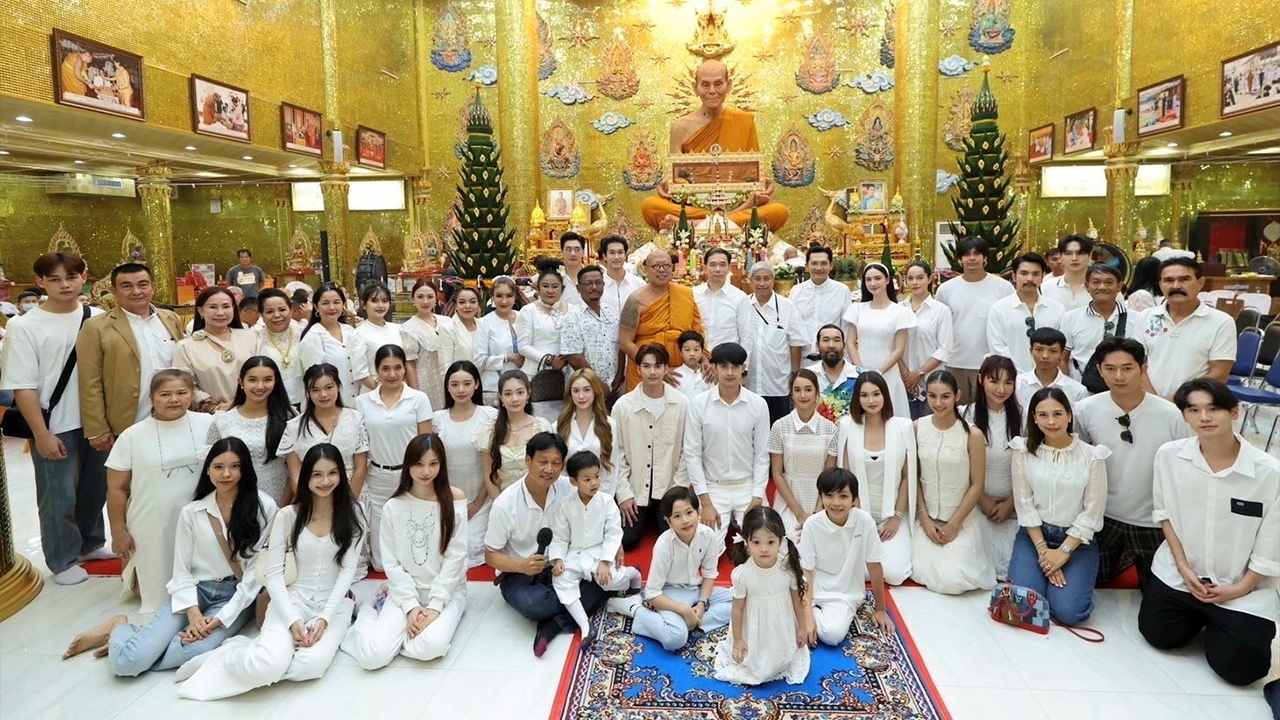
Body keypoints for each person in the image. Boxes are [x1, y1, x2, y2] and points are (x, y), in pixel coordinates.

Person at [64, 439, 276, 674]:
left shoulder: (264, 508)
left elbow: (256, 574)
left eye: (235, 466)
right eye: (218, 467)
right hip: (195, 590)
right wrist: (194, 614)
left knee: (191, 652)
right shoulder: (192, 512)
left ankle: (140, 643)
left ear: (245, 469)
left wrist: (221, 618)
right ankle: (119, 627)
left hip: (235, 596)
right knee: (127, 664)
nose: (226, 474)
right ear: (207, 470)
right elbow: (181, 571)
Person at [176, 443, 364, 700]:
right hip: (291, 600)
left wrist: (324, 618)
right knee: (269, 666)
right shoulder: (287, 516)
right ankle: (230, 656)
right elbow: (274, 574)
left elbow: (347, 570)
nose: (325, 481)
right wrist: (293, 621)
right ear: (305, 477)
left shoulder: (355, 513)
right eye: (316, 474)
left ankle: (259, 651)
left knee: (310, 667)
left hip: (334, 605)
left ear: (341, 475)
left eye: (332, 473)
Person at [1139, 379, 1279, 687]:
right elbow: (1165, 516)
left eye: (1213, 409)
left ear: (1234, 413)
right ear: (1185, 416)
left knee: (1242, 671)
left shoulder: (1270, 474)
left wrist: (1239, 589)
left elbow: (1272, 544)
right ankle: (1202, 618)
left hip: (1240, 587)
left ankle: (1221, 623)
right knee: (1159, 635)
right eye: (1194, 409)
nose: (1204, 417)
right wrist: (1184, 568)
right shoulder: (1169, 456)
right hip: (1182, 577)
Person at [1, 253, 104, 585]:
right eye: (56, 279)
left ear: (83, 278)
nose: (65, 285)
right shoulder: (24, 326)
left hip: (95, 419)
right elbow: (22, 384)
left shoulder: (97, 317)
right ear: (41, 282)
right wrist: (41, 433)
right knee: (58, 493)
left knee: (95, 488)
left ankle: (91, 544)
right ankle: (62, 558)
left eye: (71, 277)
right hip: (54, 421)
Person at [341, 434, 468, 668]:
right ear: (407, 464)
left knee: (430, 647)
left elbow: (456, 558)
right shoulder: (394, 506)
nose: (426, 471)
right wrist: (410, 607)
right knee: (372, 658)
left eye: (433, 464)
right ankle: (371, 610)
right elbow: (391, 562)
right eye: (418, 464)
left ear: (442, 465)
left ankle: (393, 638)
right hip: (404, 591)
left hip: (446, 591)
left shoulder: (455, 499)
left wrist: (435, 606)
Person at [1074, 338, 1190, 586]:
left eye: (1127, 368)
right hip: (1104, 518)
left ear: (1143, 369)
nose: (1119, 376)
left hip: (1153, 521)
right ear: (1099, 370)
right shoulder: (1085, 410)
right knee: (1089, 584)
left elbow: (1187, 468)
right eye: (1110, 369)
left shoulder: (1171, 415)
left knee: (1160, 597)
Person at [484, 432, 608, 657]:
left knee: (604, 579)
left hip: (563, 565)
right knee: (537, 605)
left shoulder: (568, 488)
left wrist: (614, 545)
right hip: (520, 572)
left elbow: (602, 508)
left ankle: (552, 627)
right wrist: (522, 566)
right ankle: (562, 615)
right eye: (542, 462)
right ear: (527, 461)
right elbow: (491, 555)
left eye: (556, 463)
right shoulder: (505, 504)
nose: (549, 469)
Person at [105, 369, 217, 612]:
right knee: (160, 597)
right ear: (151, 399)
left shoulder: (209, 425)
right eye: (165, 394)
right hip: (152, 522)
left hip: (200, 517)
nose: (174, 400)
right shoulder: (132, 435)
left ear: (192, 395)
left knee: (203, 589)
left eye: (181, 393)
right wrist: (118, 531)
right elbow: (116, 487)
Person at [640, 59, 787, 232]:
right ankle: (723, 222)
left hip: (735, 202)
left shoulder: (744, 121)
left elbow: (750, 175)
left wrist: (761, 183)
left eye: (718, 84)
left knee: (779, 212)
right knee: (650, 206)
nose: (712, 91)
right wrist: (668, 181)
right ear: (695, 88)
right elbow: (676, 174)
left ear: (729, 85)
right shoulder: (680, 126)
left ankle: (693, 225)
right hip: (696, 205)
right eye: (705, 85)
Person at [1007, 388, 1109, 624]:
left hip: (1076, 541)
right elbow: (1024, 504)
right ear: (1033, 417)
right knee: (1024, 606)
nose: (1051, 422)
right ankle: (1041, 578)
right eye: (1043, 415)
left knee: (1068, 613)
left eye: (1057, 414)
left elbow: (1092, 511)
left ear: (1069, 415)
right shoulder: (1023, 451)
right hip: (1034, 536)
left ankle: (1065, 587)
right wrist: (1046, 555)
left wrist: (1062, 553)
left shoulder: (1093, 456)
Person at [78, 262, 184, 454]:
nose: (136, 291)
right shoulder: (96, 327)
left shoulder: (170, 319)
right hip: (127, 422)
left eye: (143, 284)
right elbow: (89, 381)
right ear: (114, 290)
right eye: (127, 286)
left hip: (175, 417)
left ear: (153, 286)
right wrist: (97, 428)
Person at [910, 370, 995, 594]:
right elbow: (914, 477)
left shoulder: (972, 435)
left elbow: (977, 485)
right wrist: (924, 519)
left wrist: (954, 524)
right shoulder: (917, 427)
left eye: (945, 396)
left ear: (957, 396)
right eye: (932, 396)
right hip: (927, 519)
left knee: (954, 581)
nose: (938, 403)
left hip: (962, 520)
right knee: (915, 570)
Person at [620, 487, 733, 650]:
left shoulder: (708, 535)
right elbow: (652, 594)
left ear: (698, 513)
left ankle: (691, 621)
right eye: (677, 516)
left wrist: (701, 603)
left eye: (689, 513)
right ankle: (635, 609)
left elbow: (709, 573)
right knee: (675, 639)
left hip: (696, 588)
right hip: (670, 593)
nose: (685, 520)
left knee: (738, 602)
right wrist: (684, 610)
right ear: (668, 521)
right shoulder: (664, 545)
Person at [353, 345, 434, 570]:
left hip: (411, 476)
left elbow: (427, 442)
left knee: (414, 548)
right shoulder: (362, 402)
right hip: (377, 477)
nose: (392, 374)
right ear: (376, 370)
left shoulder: (418, 399)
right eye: (385, 368)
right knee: (380, 565)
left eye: (398, 368)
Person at [684, 342, 770, 553]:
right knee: (706, 551)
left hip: (747, 486)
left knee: (766, 547)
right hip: (714, 488)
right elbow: (692, 455)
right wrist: (705, 502)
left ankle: (738, 527)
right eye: (724, 366)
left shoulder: (758, 404)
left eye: (735, 367)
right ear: (714, 368)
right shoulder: (698, 404)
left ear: (743, 368)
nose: (730, 372)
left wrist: (757, 496)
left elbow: (761, 456)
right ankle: (730, 527)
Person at [550, 451, 642, 647]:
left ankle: (633, 573)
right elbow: (559, 537)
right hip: (575, 554)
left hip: (600, 552)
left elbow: (613, 533)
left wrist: (605, 562)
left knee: (608, 581)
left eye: (597, 476)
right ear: (573, 481)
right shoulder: (566, 506)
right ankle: (585, 626)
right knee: (561, 578)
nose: (594, 482)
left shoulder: (607, 501)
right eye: (587, 479)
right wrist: (557, 560)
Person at [833, 371, 915, 585]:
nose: (871, 400)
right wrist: (861, 519)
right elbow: (846, 478)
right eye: (864, 395)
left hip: (893, 514)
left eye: (876, 394)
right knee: (856, 572)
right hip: (858, 514)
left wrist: (897, 517)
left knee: (895, 574)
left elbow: (907, 477)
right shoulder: (847, 426)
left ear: (885, 396)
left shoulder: (902, 426)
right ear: (857, 399)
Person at [712, 506, 809, 685]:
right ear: (747, 542)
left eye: (770, 542)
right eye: (756, 542)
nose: (764, 549)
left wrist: (803, 627)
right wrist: (739, 639)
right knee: (758, 669)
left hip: (781, 627)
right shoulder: (743, 574)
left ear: (780, 541)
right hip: (754, 631)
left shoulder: (788, 569)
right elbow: (738, 609)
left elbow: (797, 601)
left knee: (782, 659)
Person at [800, 468, 894, 647]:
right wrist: (807, 616)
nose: (836, 503)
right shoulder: (812, 525)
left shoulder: (865, 521)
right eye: (829, 495)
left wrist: (880, 609)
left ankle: (799, 613)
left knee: (832, 635)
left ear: (854, 500)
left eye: (843, 496)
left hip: (844, 593)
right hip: (814, 585)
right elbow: (807, 572)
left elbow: (874, 566)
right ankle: (803, 611)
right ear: (821, 497)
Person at [612, 343, 690, 551]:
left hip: (669, 488)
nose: (652, 372)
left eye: (658, 366)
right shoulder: (623, 405)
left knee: (676, 541)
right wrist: (624, 494)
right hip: (635, 486)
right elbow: (616, 454)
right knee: (627, 540)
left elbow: (687, 451)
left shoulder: (681, 403)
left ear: (666, 368)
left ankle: (659, 514)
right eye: (646, 366)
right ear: (638, 369)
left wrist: (678, 492)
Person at [1138, 256, 1235, 399]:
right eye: (1168, 280)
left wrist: (1177, 400)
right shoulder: (1145, 317)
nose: (1176, 286)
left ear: (1200, 283)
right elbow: (1135, 365)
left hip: (1195, 405)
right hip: (1149, 402)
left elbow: (1219, 374)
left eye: (1184, 279)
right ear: (1160, 284)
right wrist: (1155, 401)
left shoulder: (1221, 322)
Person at [963, 355, 1022, 580]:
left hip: (1013, 508)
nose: (1001, 389)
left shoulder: (1024, 417)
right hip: (975, 505)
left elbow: (1030, 468)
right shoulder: (964, 415)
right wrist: (982, 499)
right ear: (980, 379)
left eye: (1008, 382)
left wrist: (1011, 503)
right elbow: (960, 466)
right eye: (994, 381)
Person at [433, 361, 497, 568]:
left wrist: (478, 503)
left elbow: (495, 466)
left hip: (480, 500)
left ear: (476, 385)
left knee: (469, 552)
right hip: (445, 500)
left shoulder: (489, 416)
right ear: (447, 387)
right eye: (455, 384)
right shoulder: (436, 419)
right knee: (441, 552)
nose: (461, 390)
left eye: (467, 383)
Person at [934, 237, 1014, 402]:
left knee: (986, 413)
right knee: (957, 413)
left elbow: (1010, 325)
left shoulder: (1003, 288)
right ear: (959, 259)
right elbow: (939, 327)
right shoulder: (946, 290)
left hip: (990, 364)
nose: (972, 258)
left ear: (985, 258)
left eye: (977, 254)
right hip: (954, 362)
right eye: (966, 254)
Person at [207, 357, 294, 504]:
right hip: (236, 500)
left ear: (276, 381)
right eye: (252, 380)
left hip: (280, 498)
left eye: (267, 380)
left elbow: (295, 469)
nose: (260, 386)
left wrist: (282, 508)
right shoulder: (222, 421)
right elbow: (211, 466)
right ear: (241, 382)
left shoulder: (289, 417)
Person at [280, 363, 368, 506]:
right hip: (312, 500)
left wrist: (348, 503)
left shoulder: (355, 419)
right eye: (315, 390)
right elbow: (295, 474)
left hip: (351, 496)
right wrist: (311, 505)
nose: (323, 395)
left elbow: (361, 467)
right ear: (307, 392)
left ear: (338, 387)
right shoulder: (294, 426)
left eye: (329, 387)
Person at [618, 249, 705, 391]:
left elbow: (696, 332)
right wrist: (654, 367)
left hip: (681, 372)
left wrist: (704, 358)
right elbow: (625, 342)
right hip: (645, 372)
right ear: (646, 269)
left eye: (666, 266)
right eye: (656, 266)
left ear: (672, 268)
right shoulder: (636, 300)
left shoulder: (685, 294)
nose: (662, 270)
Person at [769, 369, 839, 541]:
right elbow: (776, 474)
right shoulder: (780, 427)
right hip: (789, 498)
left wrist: (816, 513)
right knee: (788, 544)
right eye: (797, 390)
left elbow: (829, 474)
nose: (803, 395)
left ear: (816, 392)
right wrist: (800, 514)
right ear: (791, 394)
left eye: (808, 389)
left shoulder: (830, 429)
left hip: (821, 499)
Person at [174, 287, 263, 413]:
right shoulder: (185, 347)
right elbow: (184, 385)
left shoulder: (251, 337)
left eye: (226, 306)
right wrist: (215, 407)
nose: (220, 312)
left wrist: (244, 402)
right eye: (213, 307)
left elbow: (263, 373)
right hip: (210, 417)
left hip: (252, 411)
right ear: (200, 310)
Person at [844, 262, 916, 418]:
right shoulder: (857, 309)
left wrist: (879, 372)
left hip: (888, 373)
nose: (873, 283)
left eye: (877, 278)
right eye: (868, 279)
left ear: (888, 280)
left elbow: (899, 349)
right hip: (861, 372)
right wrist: (861, 370)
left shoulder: (900, 312)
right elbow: (850, 342)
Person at [986, 253, 1064, 374]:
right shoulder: (999, 309)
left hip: (1047, 379)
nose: (1030, 279)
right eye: (1024, 273)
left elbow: (1060, 348)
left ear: (1043, 276)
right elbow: (997, 348)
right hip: (1012, 378)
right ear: (1014, 275)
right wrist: (1021, 376)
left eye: (1035, 274)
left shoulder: (1057, 309)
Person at [481, 370, 555, 494]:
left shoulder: (541, 427)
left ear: (528, 394)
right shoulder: (490, 430)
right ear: (500, 397)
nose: (514, 399)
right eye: (508, 394)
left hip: (539, 498)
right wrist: (500, 507)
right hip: (504, 501)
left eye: (520, 393)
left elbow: (549, 469)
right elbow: (489, 477)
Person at [737, 263, 795, 423]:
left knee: (778, 429)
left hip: (778, 383)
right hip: (749, 383)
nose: (762, 283)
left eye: (766, 278)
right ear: (750, 281)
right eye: (757, 279)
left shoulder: (787, 306)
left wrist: (794, 375)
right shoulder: (743, 305)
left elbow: (796, 342)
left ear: (773, 280)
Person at [299, 283, 372, 406]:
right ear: (316, 307)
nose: (332, 307)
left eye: (336, 302)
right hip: (328, 406)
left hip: (356, 404)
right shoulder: (313, 337)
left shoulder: (350, 332)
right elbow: (314, 380)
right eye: (325, 303)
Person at [517, 260, 572, 422]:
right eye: (545, 286)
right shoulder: (528, 311)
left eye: (555, 286)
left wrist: (566, 360)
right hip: (536, 374)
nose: (550, 290)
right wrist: (549, 359)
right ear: (538, 288)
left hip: (566, 374)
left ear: (562, 289)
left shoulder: (572, 311)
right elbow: (523, 346)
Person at [898, 260, 952, 419]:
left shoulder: (941, 310)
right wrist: (907, 375)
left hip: (932, 378)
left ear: (929, 279)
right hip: (903, 379)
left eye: (920, 278)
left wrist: (919, 373)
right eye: (910, 278)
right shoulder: (899, 309)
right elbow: (894, 346)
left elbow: (944, 349)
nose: (915, 283)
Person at [1059, 263, 1129, 384]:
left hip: (1124, 389)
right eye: (1096, 282)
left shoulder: (1137, 319)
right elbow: (1062, 358)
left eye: (1109, 282)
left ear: (1119, 286)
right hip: (1082, 391)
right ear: (1087, 286)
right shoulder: (1071, 318)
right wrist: (1069, 389)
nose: (1102, 287)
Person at [561, 265, 624, 398]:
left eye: (598, 282)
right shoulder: (572, 317)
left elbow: (620, 345)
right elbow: (574, 358)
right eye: (588, 283)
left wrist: (619, 375)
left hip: (613, 385)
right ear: (578, 288)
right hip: (584, 390)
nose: (594, 287)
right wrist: (598, 386)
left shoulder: (611, 312)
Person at [788, 245, 852, 365]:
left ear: (831, 266)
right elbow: (793, 328)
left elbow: (846, 328)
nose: (819, 268)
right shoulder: (796, 291)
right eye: (814, 263)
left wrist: (845, 361)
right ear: (807, 266)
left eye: (823, 263)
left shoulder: (842, 291)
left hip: (831, 359)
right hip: (803, 360)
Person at [557, 370, 618, 495]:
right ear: (570, 394)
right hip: (567, 498)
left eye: (586, 390)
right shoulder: (559, 426)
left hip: (601, 498)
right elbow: (560, 470)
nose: (581, 396)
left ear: (595, 392)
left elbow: (611, 468)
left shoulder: (609, 424)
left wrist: (602, 501)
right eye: (576, 391)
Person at [400, 279, 455, 410]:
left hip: (451, 381)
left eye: (430, 297)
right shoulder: (408, 328)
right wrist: (416, 394)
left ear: (436, 299)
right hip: (426, 383)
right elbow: (410, 364)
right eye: (420, 297)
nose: (425, 301)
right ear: (413, 299)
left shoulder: (447, 321)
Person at [1015, 328, 1089, 419]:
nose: (1045, 356)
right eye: (1039, 350)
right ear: (1031, 351)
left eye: (1053, 351)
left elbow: (1079, 427)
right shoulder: (1017, 385)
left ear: (1062, 354)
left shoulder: (1077, 391)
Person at [474, 275, 524, 406]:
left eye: (509, 296)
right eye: (499, 296)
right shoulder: (484, 323)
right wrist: (507, 357)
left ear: (515, 297)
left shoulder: (524, 318)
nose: (504, 301)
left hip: (523, 387)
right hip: (494, 387)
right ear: (492, 297)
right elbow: (479, 360)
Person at [255, 289, 305, 408]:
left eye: (282, 310)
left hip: (306, 402)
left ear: (291, 310)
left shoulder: (304, 335)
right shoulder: (255, 339)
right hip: (270, 403)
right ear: (261, 315)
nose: (277, 315)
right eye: (269, 311)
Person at [806, 324, 862, 421]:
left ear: (844, 346)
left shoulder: (860, 376)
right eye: (826, 340)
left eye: (836, 340)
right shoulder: (807, 376)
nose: (831, 345)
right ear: (817, 346)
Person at [693, 248, 746, 353]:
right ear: (704, 268)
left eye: (722, 265)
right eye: (712, 265)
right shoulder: (693, 294)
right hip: (699, 359)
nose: (718, 269)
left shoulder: (739, 297)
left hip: (728, 361)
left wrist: (743, 365)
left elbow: (746, 335)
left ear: (729, 268)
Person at [352, 283, 403, 388]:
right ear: (364, 304)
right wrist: (382, 392)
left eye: (384, 301)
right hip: (373, 391)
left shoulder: (397, 329)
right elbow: (361, 373)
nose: (380, 305)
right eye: (374, 301)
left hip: (399, 388)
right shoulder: (358, 334)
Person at [1041, 235, 1093, 312]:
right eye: (1068, 253)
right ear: (1061, 256)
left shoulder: (1101, 288)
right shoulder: (1045, 288)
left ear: (1090, 256)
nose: (1074, 258)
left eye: (1080, 253)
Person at [599, 234, 646, 317]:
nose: (616, 257)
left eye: (620, 252)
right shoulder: (597, 285)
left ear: (625, 255)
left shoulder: (639, 284)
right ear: (605, 256)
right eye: (612, 253)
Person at [446, 286, 483, 379]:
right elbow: (445, 367)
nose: (467, 306)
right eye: (462, 302)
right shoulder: (448, 329)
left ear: (478, 304)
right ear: (455, 305)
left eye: (472, 302)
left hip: (486, 384)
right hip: (460, 386)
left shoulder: (484, 325)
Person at [673, 330, 713, 398]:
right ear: (681, 353)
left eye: (696, 349)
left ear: (702, 352)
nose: (692, 354)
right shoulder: (675, 376)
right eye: (687, 350)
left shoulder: (708, 374)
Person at [557, 232, 587, 307]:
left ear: (583, 252)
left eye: (577, 249)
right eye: (568, 249)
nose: (573, 253)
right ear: (562, 252)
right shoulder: (554, 276)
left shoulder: (590, 277)